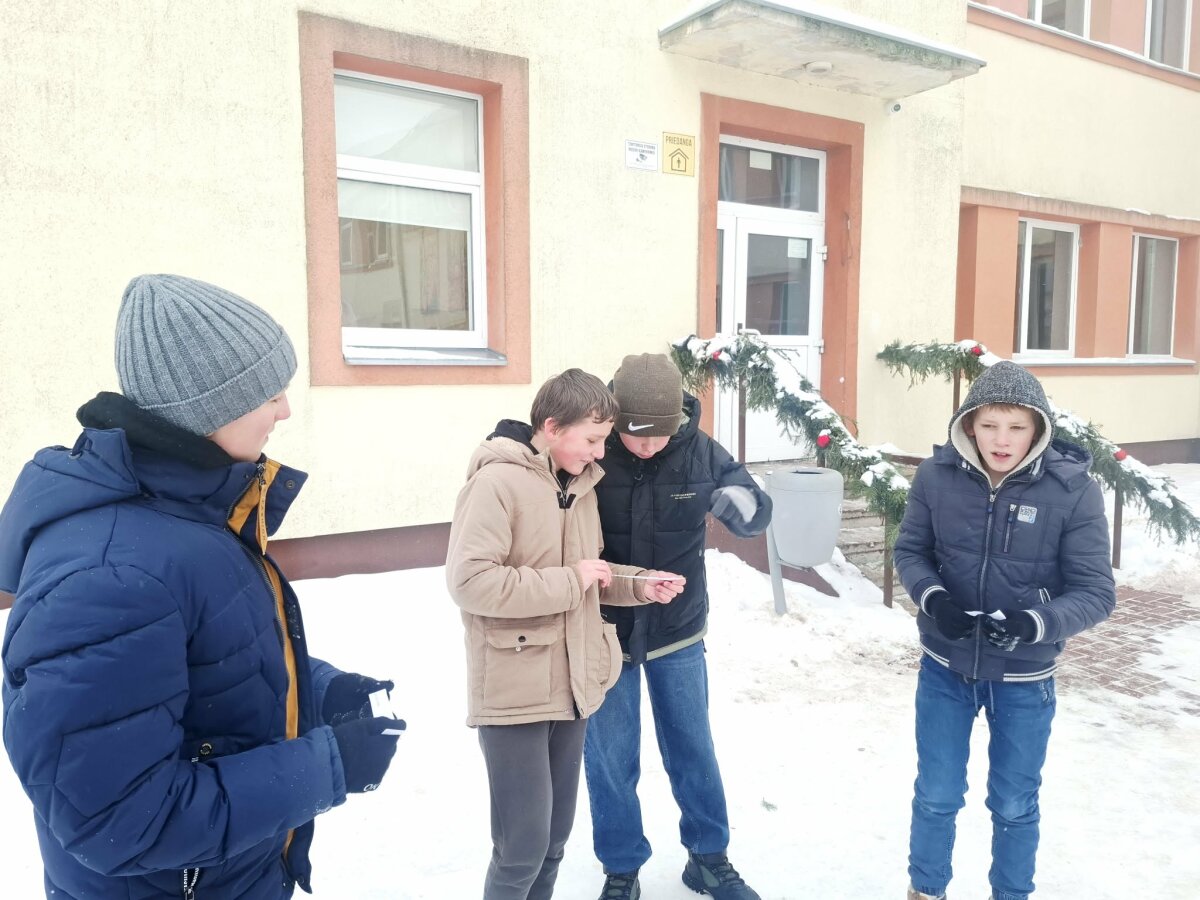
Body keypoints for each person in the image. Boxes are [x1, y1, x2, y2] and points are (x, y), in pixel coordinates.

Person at [0, 274, 403, 899]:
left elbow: (210, 665)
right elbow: (118, 821)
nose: (284, 410)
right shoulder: (113, 575)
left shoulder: (188, 518)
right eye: (267, 392)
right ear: (207, 409)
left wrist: (318, 689)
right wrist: (327, 767)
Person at [445, 368, 685, 900]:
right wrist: (571, 579)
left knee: (553, 843)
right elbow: (470, 582)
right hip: (514, 692)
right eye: (592, 440)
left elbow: (589, 572)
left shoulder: (579, 486)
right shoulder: (495, 483)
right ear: (552, 427)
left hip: (573, 686)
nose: (601, 453)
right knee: (521, 850)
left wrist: (639, 585)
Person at [894, 360, 1116, 900]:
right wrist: (935, 600)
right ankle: (925, 890)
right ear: (969, 424)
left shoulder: (1072, 491)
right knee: (937, 794)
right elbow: (911, 552)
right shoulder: (936, 477)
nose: (1001, 439)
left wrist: (1034, 623)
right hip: (945, 668)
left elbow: (1096, 592)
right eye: (990, 424)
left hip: (1024, 679)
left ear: (1037, 429)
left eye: (1017, 427)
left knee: (1015, 804)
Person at [584, 353, 772, 900]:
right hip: (604, 628)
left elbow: (755, 507)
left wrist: (745, 506)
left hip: (678, 629)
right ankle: (621, 869)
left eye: (659, 435)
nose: (647, 446)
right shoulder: (596, 447)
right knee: (611, 759)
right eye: (635, 434)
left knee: (693, 749)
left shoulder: (701, 451)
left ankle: (708, 859)